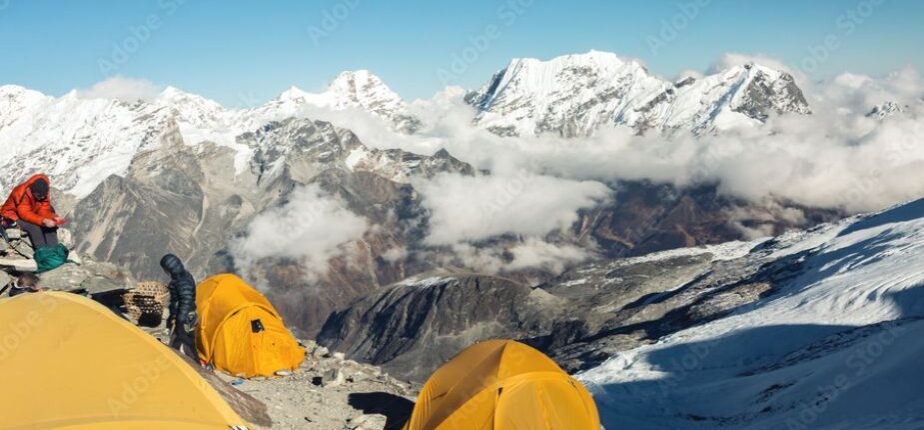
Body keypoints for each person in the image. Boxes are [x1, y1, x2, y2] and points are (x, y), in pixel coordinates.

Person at [1, 174, 63, 250]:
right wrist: (43, 221)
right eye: (40, 196)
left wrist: (52, 217)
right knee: (34, 227)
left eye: (44, 196)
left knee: (50, 224)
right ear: (33, 192)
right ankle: (42, 252)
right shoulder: (21, 193)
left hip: (31, 209)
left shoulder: (43, 190)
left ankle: (53, 251)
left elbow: (44, 208)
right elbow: (25, 214)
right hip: (13, 215)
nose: (42, 198)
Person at [160, 253, 199, 362]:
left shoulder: (182, 282)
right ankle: (175, 363)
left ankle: (197, 368)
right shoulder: (182, 277)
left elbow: (186, 301)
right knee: (177, 342)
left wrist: (180, 321)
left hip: (185, 318)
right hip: (183, 316)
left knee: (187, 344)